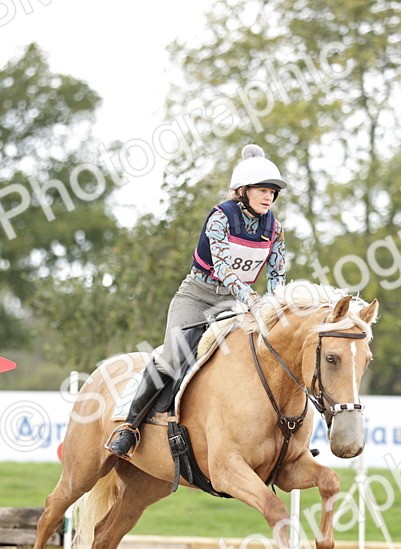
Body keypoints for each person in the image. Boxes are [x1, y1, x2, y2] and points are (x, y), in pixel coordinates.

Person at [104, 143, 289, 458]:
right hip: (197, 296)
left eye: (272, 192)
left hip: (233, 302)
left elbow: (277, 275)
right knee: (173, 357)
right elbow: (223, 267)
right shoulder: (220, 218)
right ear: (242, 191)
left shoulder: (275, 230)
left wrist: (277, 308)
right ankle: (129, 428)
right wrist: (252, 299)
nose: (268, 197)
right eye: (262, 190)